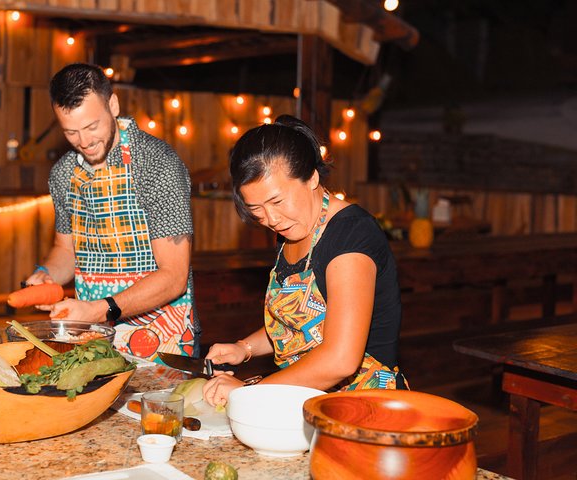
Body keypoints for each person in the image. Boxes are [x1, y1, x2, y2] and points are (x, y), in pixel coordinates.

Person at [202, 114, 406, 407]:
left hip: (364, 407)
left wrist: (249, 393)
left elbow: (341, 360)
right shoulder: (291, 229)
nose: (271, 219)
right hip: (306, 401)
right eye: (257, 210)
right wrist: (243, 348)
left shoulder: (350, 236)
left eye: (277, 202)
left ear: (312, 177)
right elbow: (299, 325)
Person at [26, 63, 198, 360]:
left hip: (160, 337)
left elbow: (174, 276)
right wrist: (46, 275)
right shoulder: (63, 173)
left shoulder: (158, 164)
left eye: (92, 126)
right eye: (71, 132)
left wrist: (99, 309)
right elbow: (66, 251)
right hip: (91, 337)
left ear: (113, 104)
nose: (84, 142)